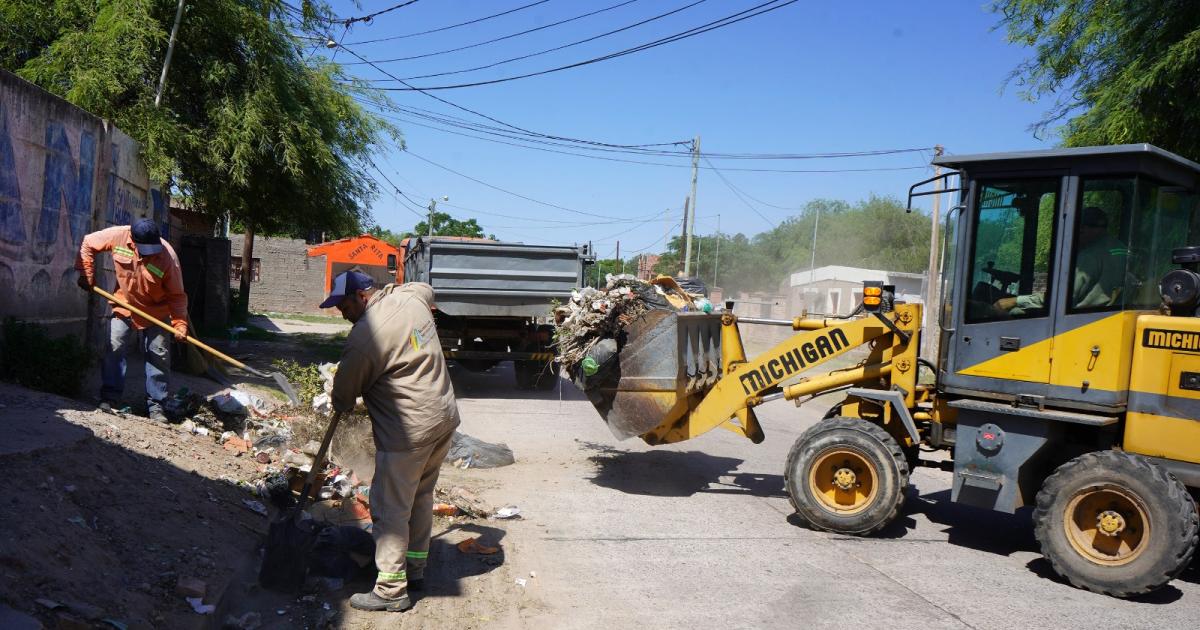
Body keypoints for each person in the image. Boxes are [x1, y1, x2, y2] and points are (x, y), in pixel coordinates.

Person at [323, 270, 460, 613]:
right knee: (420, 497)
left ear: (363, 297)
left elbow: (343, 397)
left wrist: (336, 391)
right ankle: (414, 569)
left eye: (344, 304)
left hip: (408, 431)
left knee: (390, 506)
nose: (342, 312)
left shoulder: (365, 337)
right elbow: (426, 289)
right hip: (442, 419)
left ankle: (390, 589)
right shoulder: (411, 298)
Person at [75, 218, 188, 423]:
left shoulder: (168, 257)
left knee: (158, 356)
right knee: (114, 347)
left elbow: (177, 296)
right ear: (133, 240)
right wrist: (86, 272)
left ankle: (157, 408)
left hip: (156, 312)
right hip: (124, 303)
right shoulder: (119, 235)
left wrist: (180, 323)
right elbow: (88, 243)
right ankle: (109, 398)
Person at [994, 206, 1128, 315]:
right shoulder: (1121, 248)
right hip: (1109, 316)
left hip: (1081, 320)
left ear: (1082, 229)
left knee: (1014, 312)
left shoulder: (1089, 255)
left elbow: (1062, 298)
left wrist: (1015, 300)